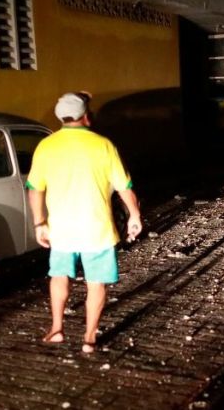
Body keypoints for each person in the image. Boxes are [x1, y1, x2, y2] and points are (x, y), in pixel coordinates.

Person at [27, 91, 142, 354]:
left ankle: (57, 329)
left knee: (59, 277)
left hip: (61, 229)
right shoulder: (103, 145)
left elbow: (35, 189)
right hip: (96, 229)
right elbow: (124, 187)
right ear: (86, 117)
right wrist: (134, 215)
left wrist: (39, 222)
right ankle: (89, 338)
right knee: (96, 283)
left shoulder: (46, 146)